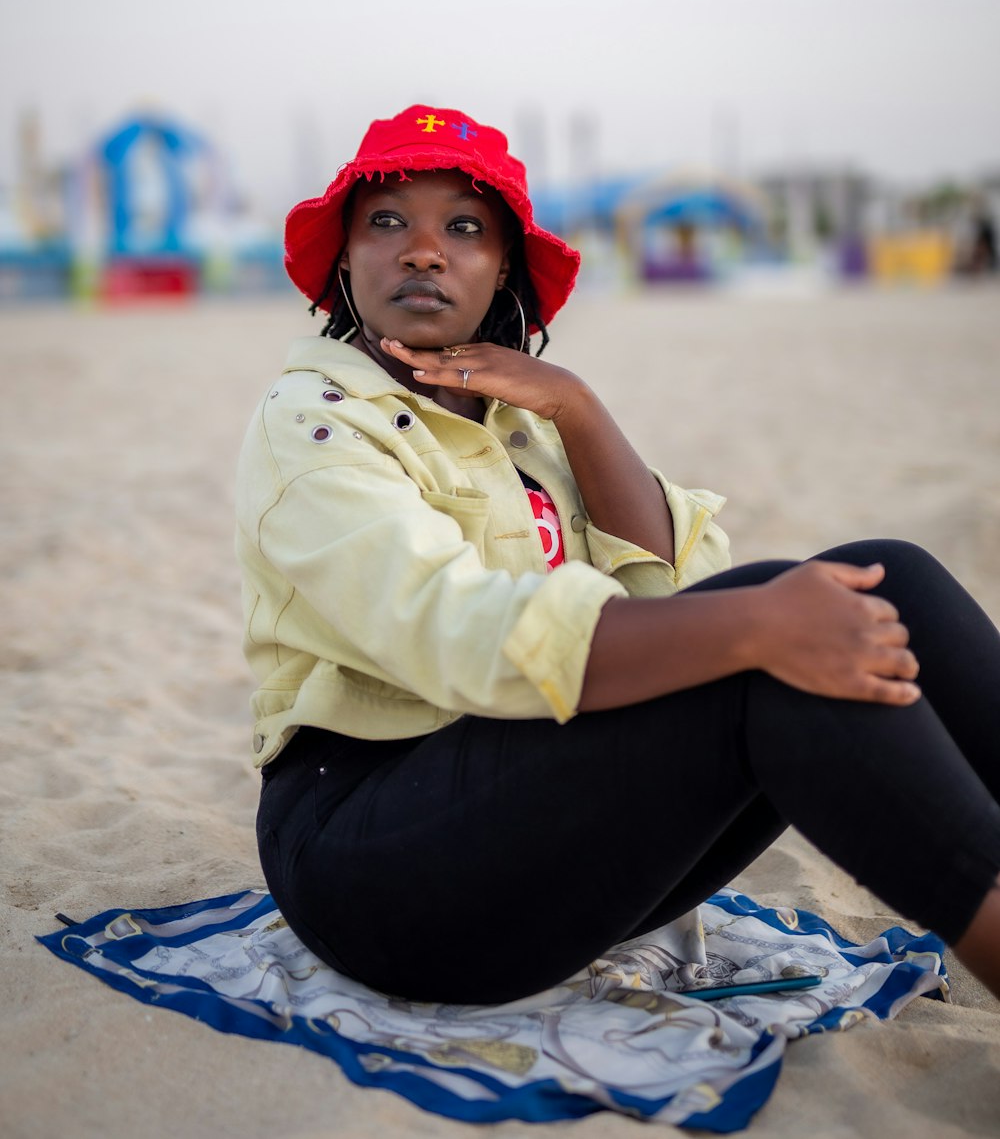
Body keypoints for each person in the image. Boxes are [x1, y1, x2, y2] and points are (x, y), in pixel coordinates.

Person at [237, 104, 1000, 1007]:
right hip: (371, 864)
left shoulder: (525, 420)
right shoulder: (313, 424)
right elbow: (450, 631)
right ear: (344, 257)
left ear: (503, 269)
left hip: (534, 824)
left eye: (465, 228)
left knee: (885, 577)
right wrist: (753, 621)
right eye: (389, 221)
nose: (424, 250)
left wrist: (580, 408)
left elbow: (672, 596)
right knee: (764, 634)